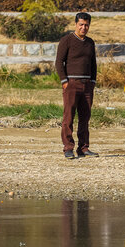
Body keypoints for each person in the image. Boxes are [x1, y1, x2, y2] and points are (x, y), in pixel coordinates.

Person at [55, 12, 98, 159]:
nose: (84, 28)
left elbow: (93, 64)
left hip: (87, 85)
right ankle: (68, 148)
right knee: (68, 117)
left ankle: (84, 148)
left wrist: (93, 81)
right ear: (76, 24)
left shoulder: (90, 42)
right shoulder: (66, 40)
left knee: (85, 117)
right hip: (71, 84)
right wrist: (64, 81)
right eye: (81, 24)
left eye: (86, 25)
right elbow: (59, 62)